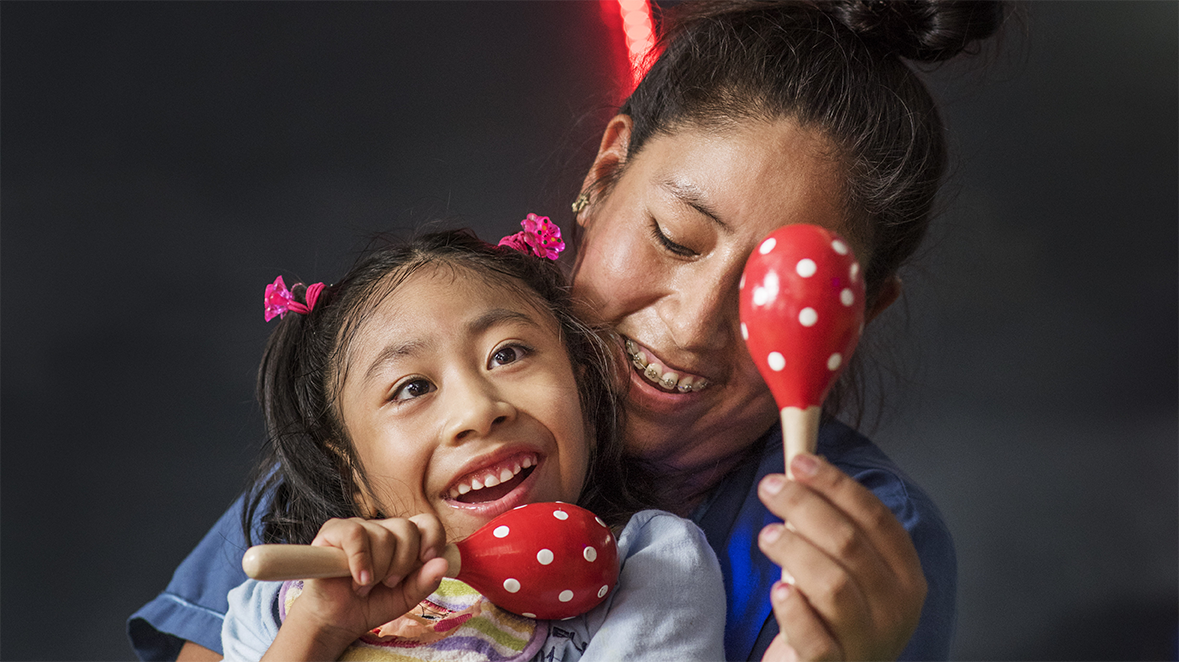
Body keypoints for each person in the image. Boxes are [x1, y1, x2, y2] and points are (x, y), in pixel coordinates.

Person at [129, 1, 1004, 660]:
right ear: (605, 169)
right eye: (674, 239)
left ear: (851, 320)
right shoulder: (394, 437)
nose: (693, 327)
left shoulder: (857, 548)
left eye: (770, 291)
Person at [220, 226, 726, 661]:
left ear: (587, 401)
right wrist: (319, 630)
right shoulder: (277, 609)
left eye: (507, 354)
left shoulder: (650, 563)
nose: (479, 411)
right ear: (353, 475)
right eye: (412, 388)